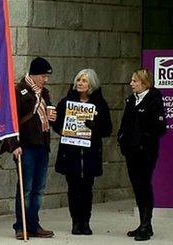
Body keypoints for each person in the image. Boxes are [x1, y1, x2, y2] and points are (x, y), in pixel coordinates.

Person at [0, 57, 56, 240]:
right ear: (34, 74)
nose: (45, 80)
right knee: (26, 188)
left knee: (39, 188)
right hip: (26, 146)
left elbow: (47, 115)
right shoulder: (19, 91)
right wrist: (14, 145)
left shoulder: (45, 93)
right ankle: (21, 225)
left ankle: (33, 223)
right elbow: (10, 119)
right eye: (43, 76)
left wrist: (53, 117)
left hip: (42, 144)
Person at [53, 69, 112, 235]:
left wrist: (95, 127)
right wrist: (60, 128)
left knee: (87, 188)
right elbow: (57, 124)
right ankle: (75, 222)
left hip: (90, 153)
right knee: (73, 188)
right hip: (70, 151)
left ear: (91, 84)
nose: (80, 83)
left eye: (84, 81)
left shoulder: (100, 104)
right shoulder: (66, 102)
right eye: (78, 80)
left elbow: (108, 129)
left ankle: (85, 221)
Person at [118, 69, 166, 241]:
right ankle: (143, 224)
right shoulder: (131, 100)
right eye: (132, 81)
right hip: (131, 150)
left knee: (144, 184)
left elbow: (160, 128)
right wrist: (122, 139)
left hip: (145, 151)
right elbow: (125, 123)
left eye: (134, 81)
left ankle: (146, 224)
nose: (131, 84)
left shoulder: (154, 99)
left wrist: (143, 140)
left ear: (144, 83)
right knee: (137, 186)